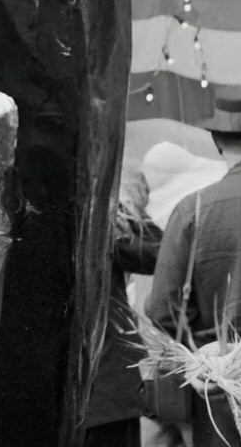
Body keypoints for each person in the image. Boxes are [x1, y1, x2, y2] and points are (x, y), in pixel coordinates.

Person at [146, 87, 241, 447]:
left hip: (215, 395)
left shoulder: (191, 210)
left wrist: (203, 358)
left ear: (216, 142)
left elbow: (162, 310)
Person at [84, 164, 161, 447]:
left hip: (44, 395)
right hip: (104, 391)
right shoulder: (93, 218)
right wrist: (120, 205)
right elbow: (158, 251)